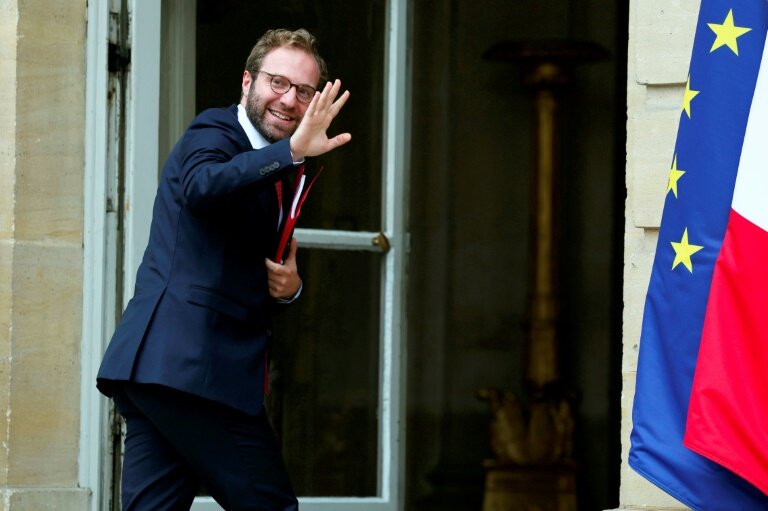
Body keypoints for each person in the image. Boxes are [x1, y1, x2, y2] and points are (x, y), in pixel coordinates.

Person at [96, 28, 350, 511]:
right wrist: (292, 152)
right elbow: (202, 186)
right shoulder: (216, 132)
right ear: (247, 81)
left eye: (303, 91)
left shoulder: (280, 163)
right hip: (192, 370)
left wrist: (289, 289)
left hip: (161, 373)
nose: (289, 100)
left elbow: (238, 257)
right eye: (278, 82)